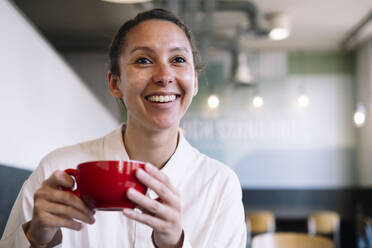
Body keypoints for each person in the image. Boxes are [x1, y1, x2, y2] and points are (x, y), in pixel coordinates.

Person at [0, 8, 247, 248]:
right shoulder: (56, 172)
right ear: (115, 83)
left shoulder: (219, 185)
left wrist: (175, 244)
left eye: (178, 60)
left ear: (194, 82)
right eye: (143, 60)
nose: (164, 75)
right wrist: (37, 239)